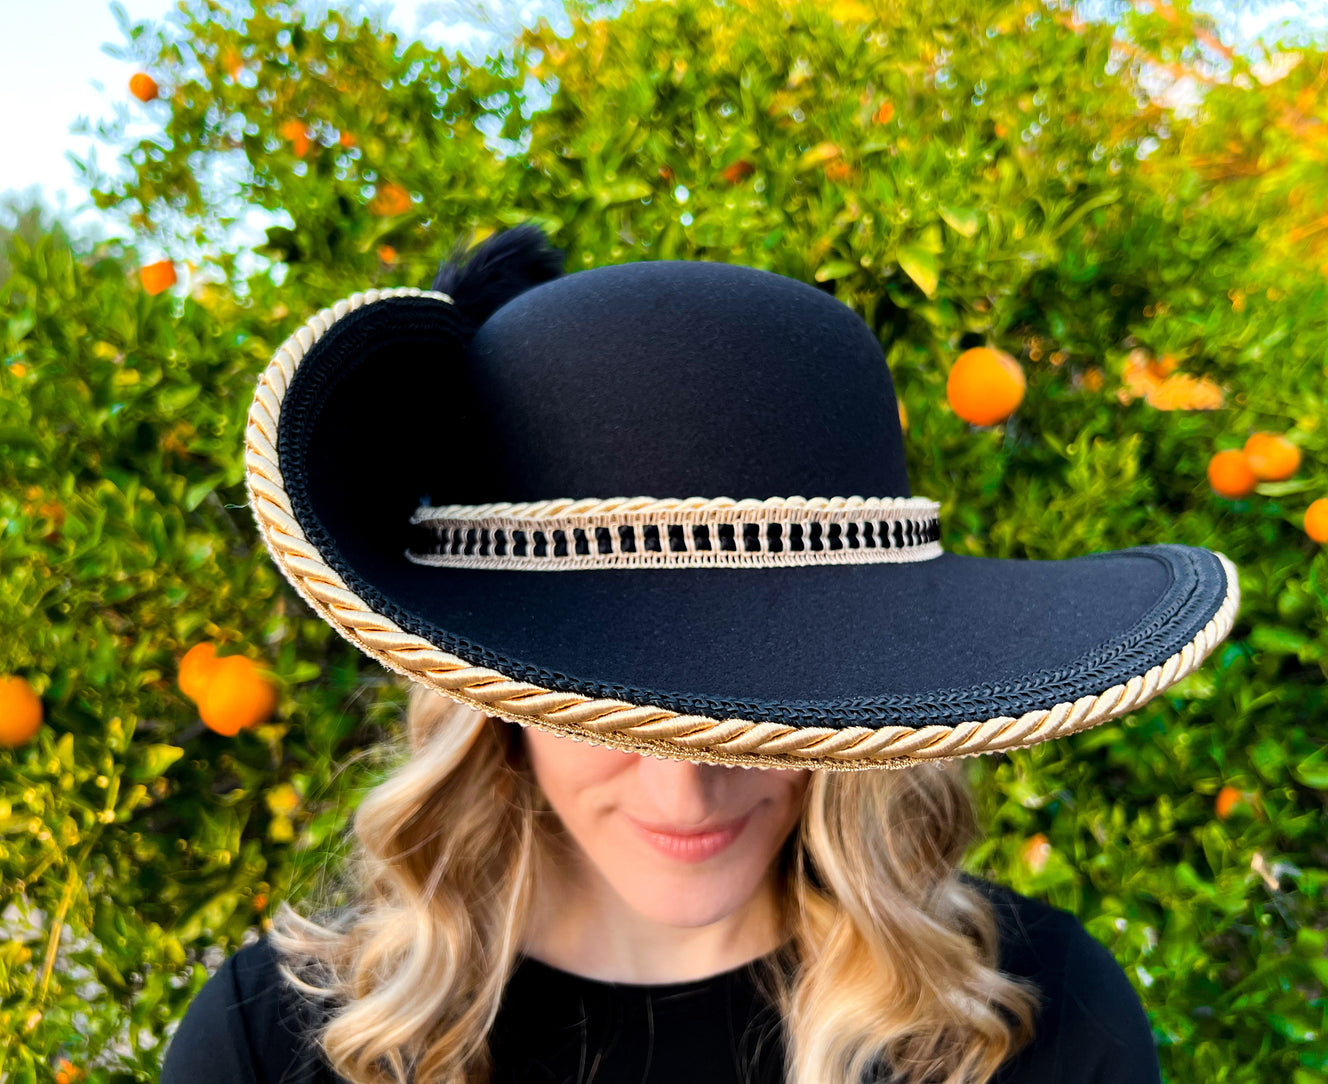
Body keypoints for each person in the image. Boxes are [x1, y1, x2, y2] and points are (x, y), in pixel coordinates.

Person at [161, 223, 1240, 1083]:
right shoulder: (280, 1042)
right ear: (483, 696)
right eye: (597, 705)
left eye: (765, 705)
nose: (687, 785)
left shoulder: (1032, 1019)